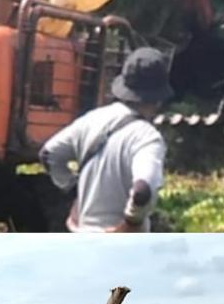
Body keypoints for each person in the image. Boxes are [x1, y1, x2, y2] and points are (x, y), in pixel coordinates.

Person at [39, 46, 173, 232]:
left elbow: (48, 154)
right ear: (158, 98)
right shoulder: (147, 137)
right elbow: (143, 189)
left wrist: (72, 189)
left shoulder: (91, 119)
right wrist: (130, 224)